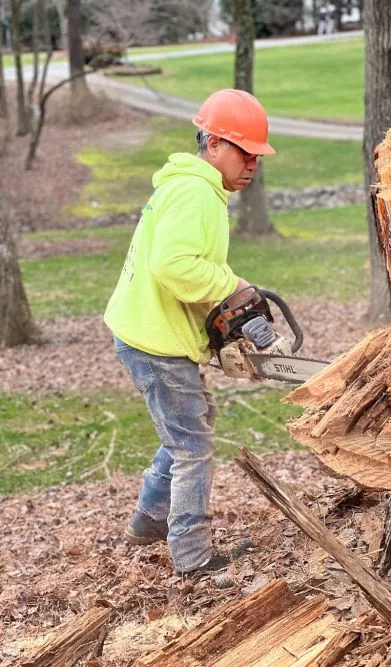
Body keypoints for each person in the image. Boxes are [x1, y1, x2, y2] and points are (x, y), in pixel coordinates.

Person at [104, 89, 275, 577]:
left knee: (186, 427)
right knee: (192, 447)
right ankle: (192, 556)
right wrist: (233, 285)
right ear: (216, 143)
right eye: (246, 153)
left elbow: (181, 266)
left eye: (257, 157)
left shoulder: (193, 186)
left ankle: (148, 520)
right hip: (154, 341)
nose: (252, 165)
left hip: (150, 333)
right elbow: (173, 265)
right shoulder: (196, 191)